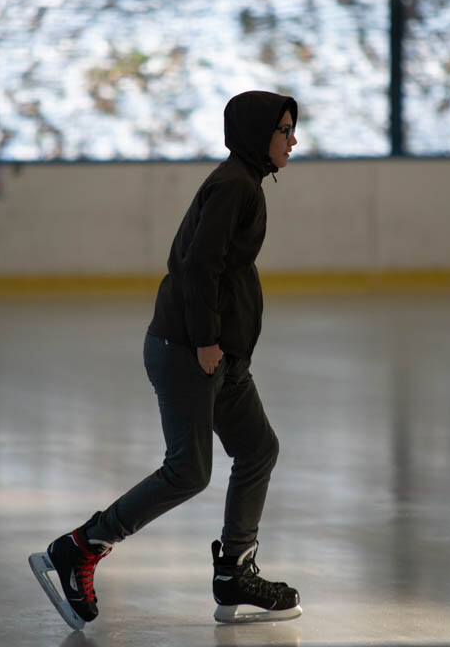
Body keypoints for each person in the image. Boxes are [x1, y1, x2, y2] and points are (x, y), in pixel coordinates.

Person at [29, 90, 302, 630]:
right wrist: (205, 340)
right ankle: (81, 547)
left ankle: (235, 573)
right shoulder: (233, 188)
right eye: (284, 130)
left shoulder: (243, 184)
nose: (293, 140)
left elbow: (220, 269)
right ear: (256, 135)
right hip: (189, 352)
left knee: (257, 449)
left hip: (219, 356)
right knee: (188, 471)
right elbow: (199, 265)